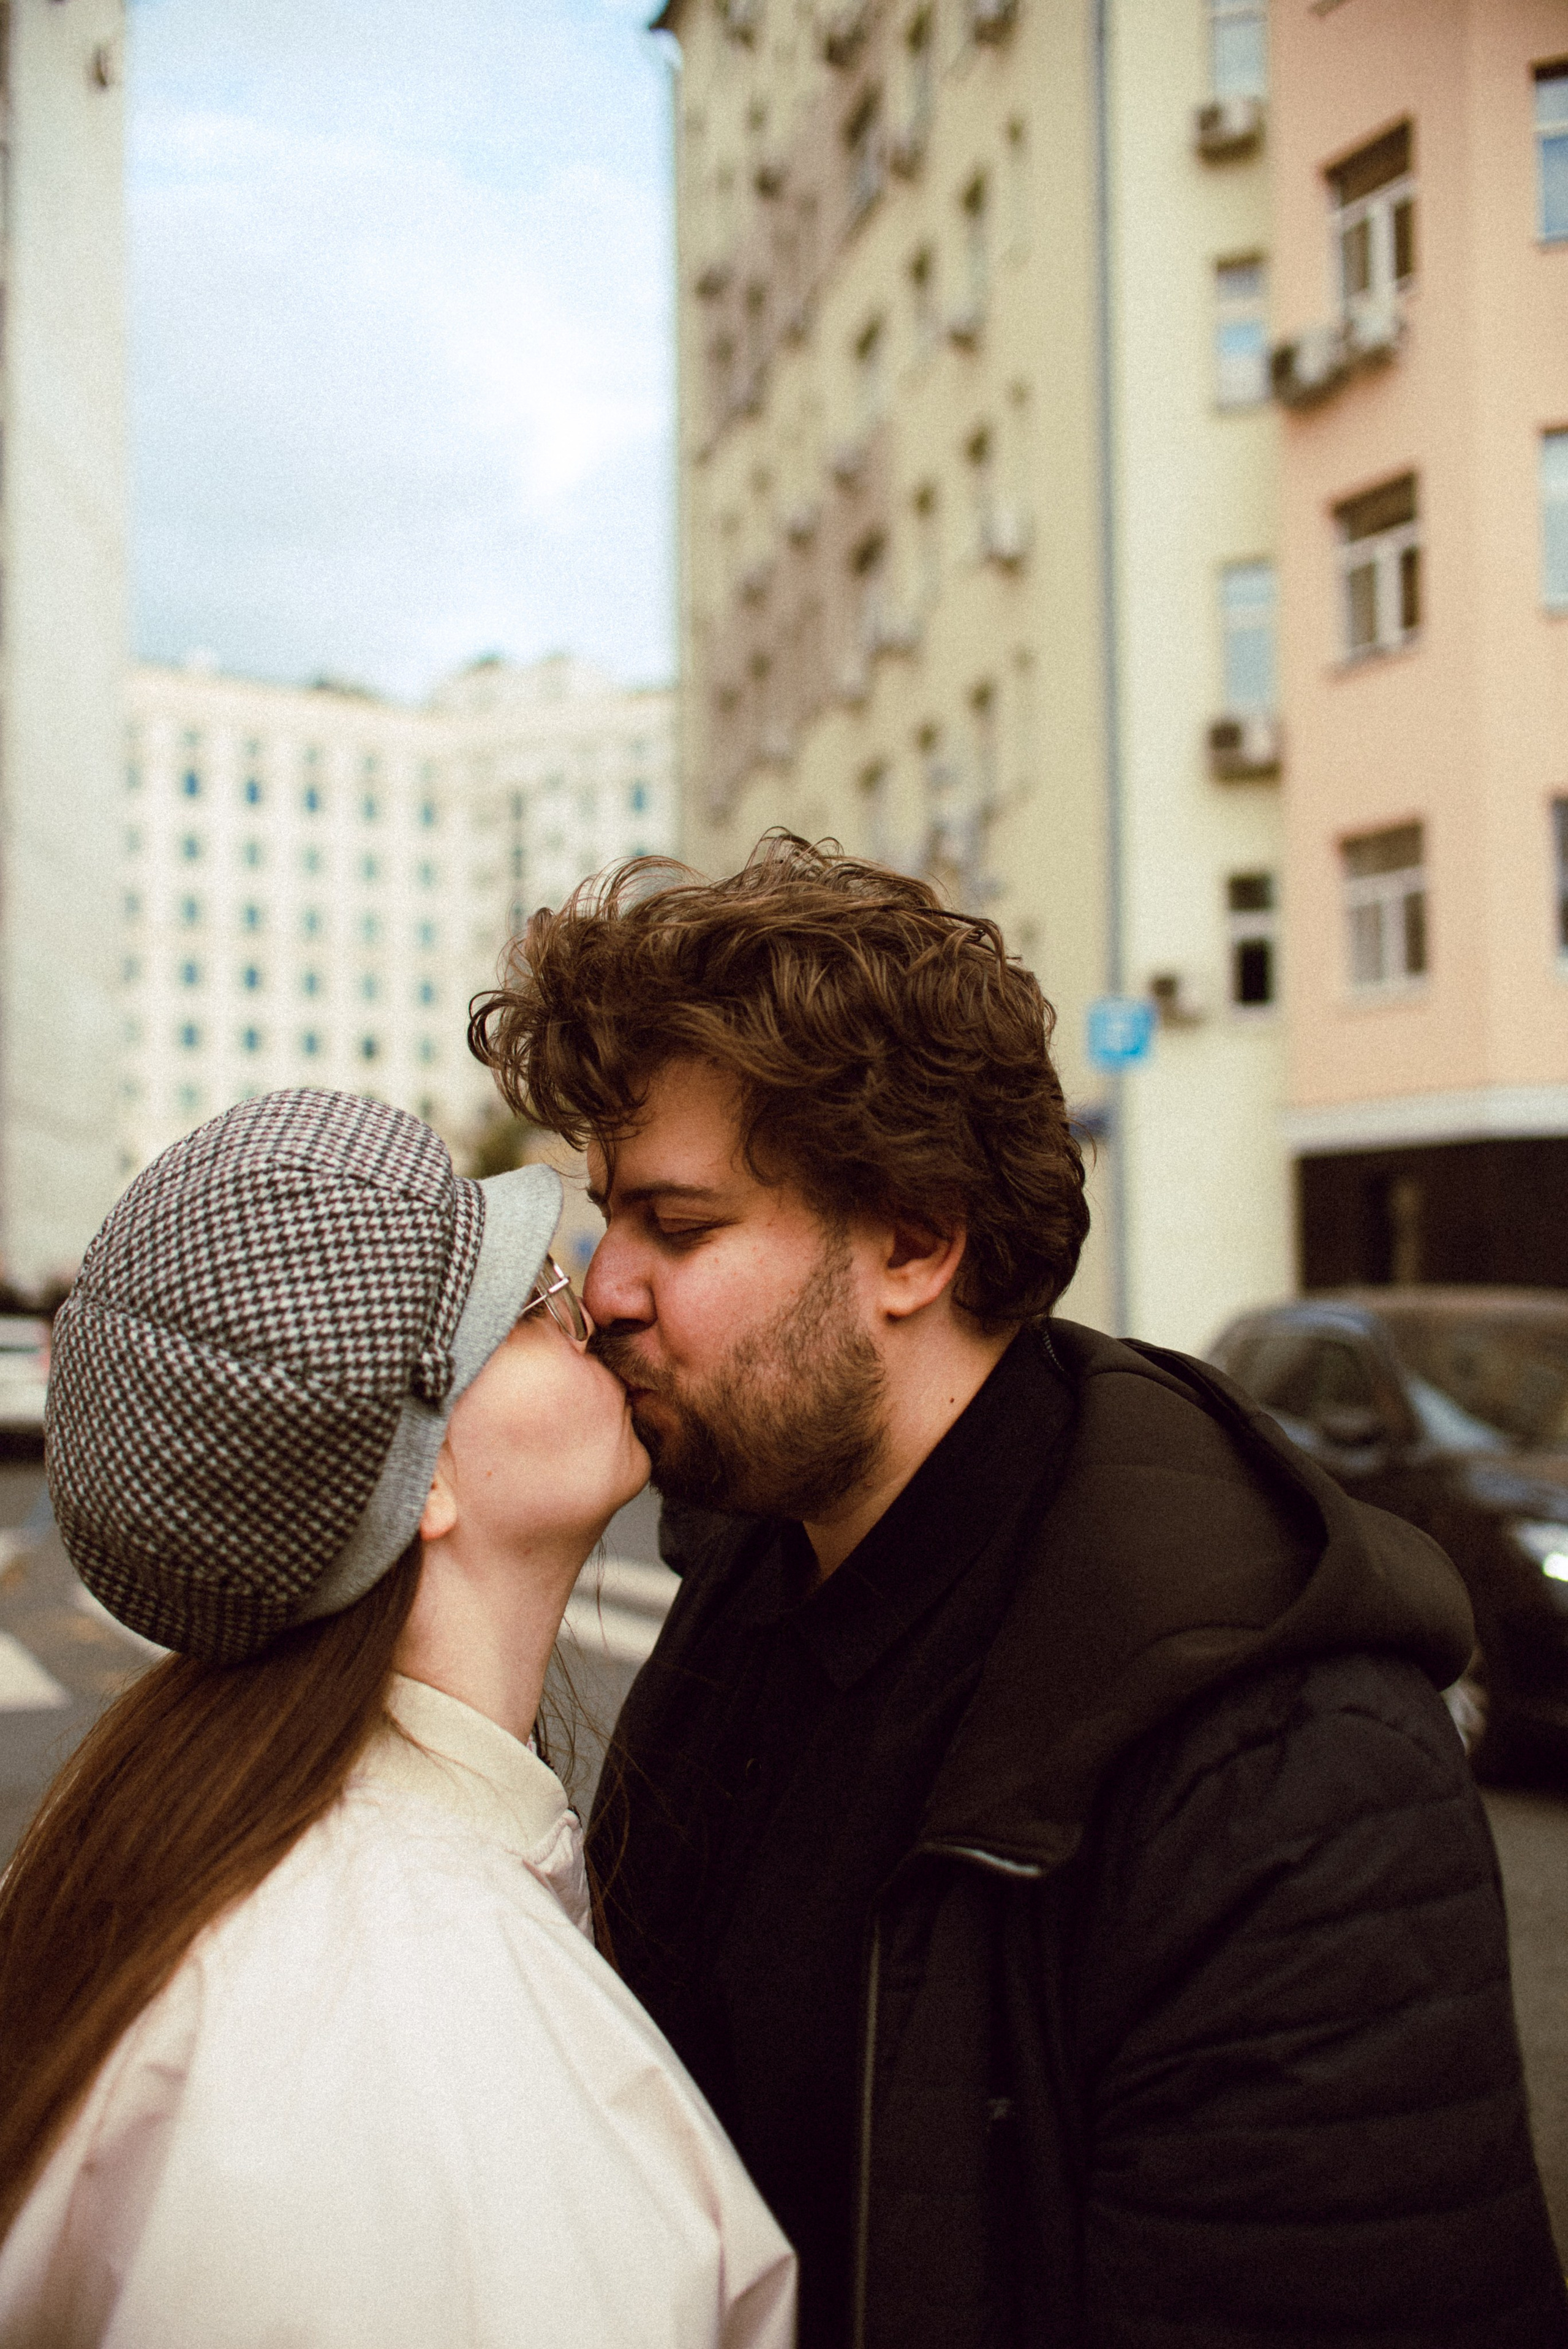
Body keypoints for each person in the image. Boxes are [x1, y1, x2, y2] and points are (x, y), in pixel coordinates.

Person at [470, 835, 1568, 2349]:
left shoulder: (1274, 1762)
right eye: (609, 1218)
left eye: (680, 1222)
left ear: (915, 1238)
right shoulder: (755, 1573)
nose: (602, 1287)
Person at [0, 1088, 796, 2349]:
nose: (591, 1305)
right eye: (534, 1304)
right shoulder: (416, 2067)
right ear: (418, 1475)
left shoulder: (253, 1864)